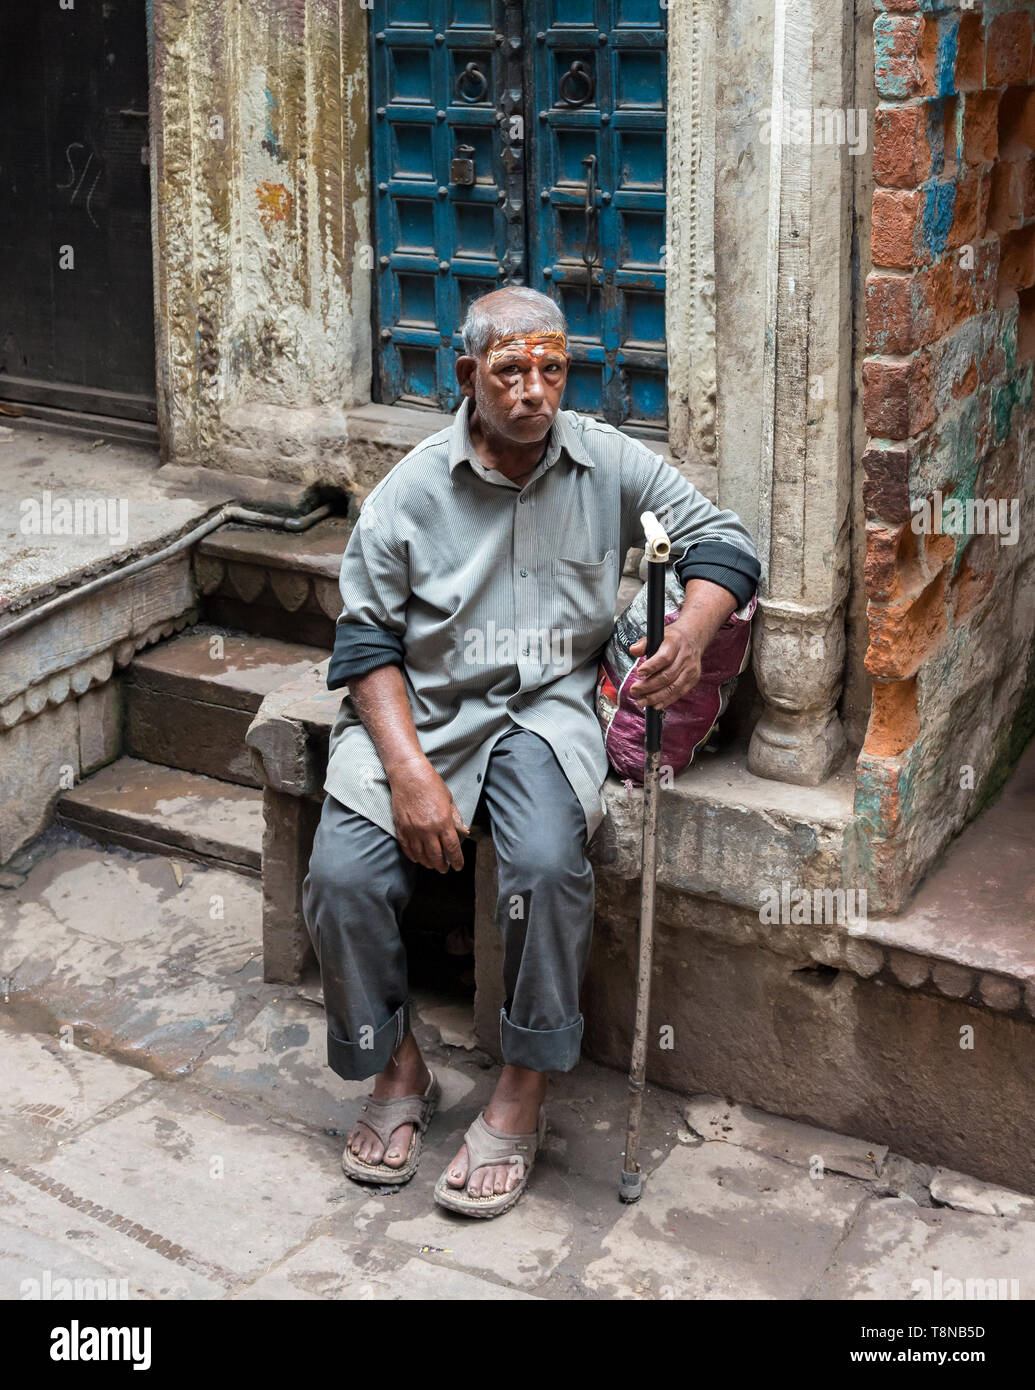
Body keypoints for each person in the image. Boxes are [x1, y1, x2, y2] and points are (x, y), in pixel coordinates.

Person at [302, 286, 759, 1218]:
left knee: (549, 864)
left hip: (545, 710)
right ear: (466, 376)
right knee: (342, 879)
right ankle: (395, 1070)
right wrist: (408, 773)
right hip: (418, 710)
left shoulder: (605, 460)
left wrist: (689, 627)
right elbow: (362, 648)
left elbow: (725, 542)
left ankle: (524, 1083)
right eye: (511, 371)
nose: (534, 390)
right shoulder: (409, 492)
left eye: (552, 369)